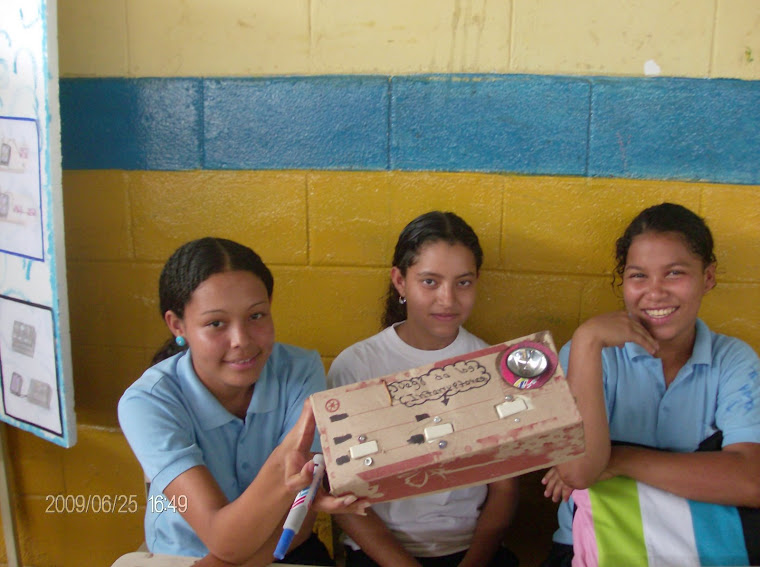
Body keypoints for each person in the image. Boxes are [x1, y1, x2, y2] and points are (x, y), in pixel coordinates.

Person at [118, 237, 366, 567]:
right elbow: (222, 537)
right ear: (178, 325)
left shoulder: (300, 369)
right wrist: (286, 461)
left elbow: (301, 520)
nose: (242, 341)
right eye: (216, 323)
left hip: (285, 548)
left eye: (256, 316)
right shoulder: (147, 403)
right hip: (181, 557)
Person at [540, 203, 760, 566]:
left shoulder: (733, 361)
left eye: (674, 274)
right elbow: (579, 472)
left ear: (708, 277)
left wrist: (618, 459)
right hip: (592, 547)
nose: (655, 293)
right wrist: (588, 339)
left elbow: (751, 481)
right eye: (638, 276)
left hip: (701, 550)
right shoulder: (590, 353)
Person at [328, 211, 520, 567]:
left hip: (471, 553)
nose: (447, 300)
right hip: (381, 555)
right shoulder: (357, 366)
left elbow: (505, 489)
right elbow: (342, 495)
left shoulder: (493, 365)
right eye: (429, 282)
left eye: (463, 283)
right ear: (400, 281)